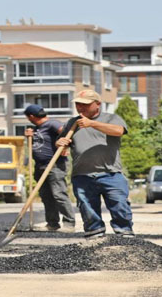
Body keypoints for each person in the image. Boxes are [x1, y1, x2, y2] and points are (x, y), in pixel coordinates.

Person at [55, 89, 133, 239]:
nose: (80, 108)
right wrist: (60, 143)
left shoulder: (111, 118)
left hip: (111, 173)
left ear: (98, 104)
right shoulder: (72, 123)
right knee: (87, 208)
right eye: (78, 104)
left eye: (85, 104)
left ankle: (125, 235)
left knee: (120, 205)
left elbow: (118, 131)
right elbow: (62, 143)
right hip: (82, 175)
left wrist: (92, 124)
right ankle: (94, 236)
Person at [23, 104, 75, 232]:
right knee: (46, 196)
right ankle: (52, 223)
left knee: (58, 194)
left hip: (54, 165)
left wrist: (65, 146)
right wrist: (29, 136)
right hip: (40, 166)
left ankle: (69, 223)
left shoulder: (52, 124)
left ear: (31, 116)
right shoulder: (37, 128)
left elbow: (67, 134)